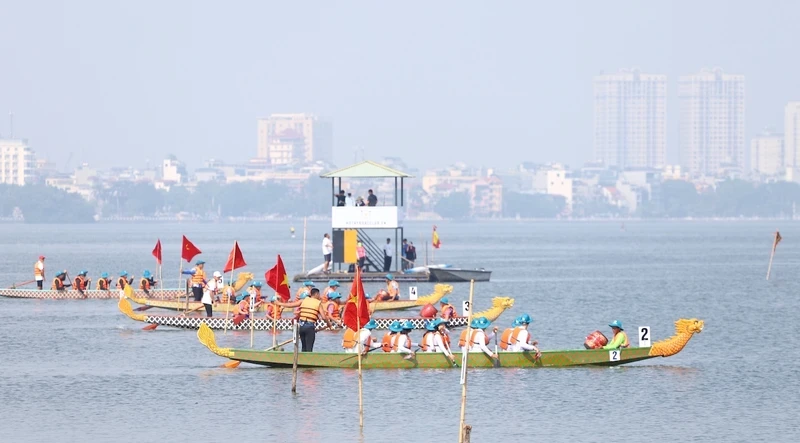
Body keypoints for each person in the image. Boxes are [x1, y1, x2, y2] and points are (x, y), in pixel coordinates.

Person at [276, 287, 336, 352]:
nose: (320, 296)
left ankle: (301, 361)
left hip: (302, 327)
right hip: (310, 327)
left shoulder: (303, 300)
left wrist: (279, 303)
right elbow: (324, 317)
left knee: (304, 348)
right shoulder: (318, 303)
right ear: (316, 294)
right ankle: (307, 361)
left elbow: (291, 305)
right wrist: (329, 325)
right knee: (309, 349)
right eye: (319, 294)